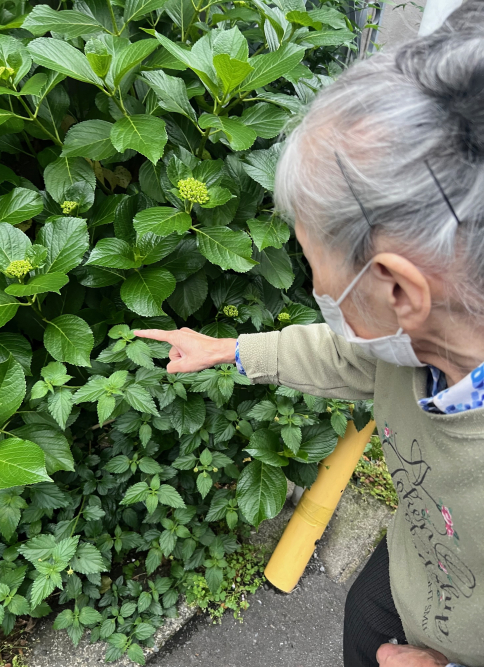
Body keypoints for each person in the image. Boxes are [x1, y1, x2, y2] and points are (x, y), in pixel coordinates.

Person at [135, 3, 484, 666]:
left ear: (399, 290)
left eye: (314, 262)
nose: (318, 286)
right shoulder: (421, 344)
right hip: (414, 564)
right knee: (363, 615)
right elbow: (345, 354)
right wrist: (228, 349)